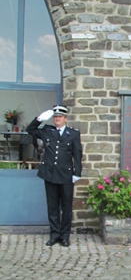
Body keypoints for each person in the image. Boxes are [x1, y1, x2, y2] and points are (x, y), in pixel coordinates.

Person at [26, 105, 82, 247]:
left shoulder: (73, 134)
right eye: (55, 117)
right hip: (50, 174)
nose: (57, 119)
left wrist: (77, 173)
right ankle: (54, 234)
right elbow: (30, 130)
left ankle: (64, 236)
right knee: (52, 207)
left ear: (65, 119)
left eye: (60, 117)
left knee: (66, 207)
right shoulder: (47, 131)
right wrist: (39, 119)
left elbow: (77, 155)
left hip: (66, 175)